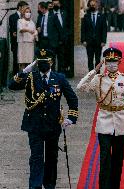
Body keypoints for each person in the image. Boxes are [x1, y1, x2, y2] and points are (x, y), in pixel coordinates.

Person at [8, 49, 79, 189]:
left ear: (51, 62)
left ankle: (50, 185)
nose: (42, 65)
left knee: (52, 157)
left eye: (45, 62)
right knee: (36, 157)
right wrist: (25, 70)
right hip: (34, 124)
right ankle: (35, 186)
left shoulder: (59, 78)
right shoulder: (30, 77)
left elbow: (72, 99)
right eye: (39, 62)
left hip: (53, 124)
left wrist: (71, 118)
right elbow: (12, 85)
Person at [77, 47, 124, 189]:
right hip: (104, 121)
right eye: (108, 61)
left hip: (121, 122)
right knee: (104, 158)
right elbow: (80, 87)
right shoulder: (99, 79)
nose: (111, 64)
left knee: (118, 158)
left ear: (119, 62)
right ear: (104, 62)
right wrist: (94, 71)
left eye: (114, 61)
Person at [81, 0, 107, 72]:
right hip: (89, 42)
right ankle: (91, 72)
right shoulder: (86, 17)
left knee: (98, 59)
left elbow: (104, 30)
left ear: (97, 6)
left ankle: (97, 72)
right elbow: (83, 29)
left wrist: (103, 41)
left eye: (94, 5)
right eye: (91, 5)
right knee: (90, 58)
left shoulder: (102, 16)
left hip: (98, 42)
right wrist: (83, 40)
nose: (92, 7)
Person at [36, 1, 62, 71]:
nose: (38, 10)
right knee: (43, 59)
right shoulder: (40, 17)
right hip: (42, 41)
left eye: (39, 8)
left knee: (51, 59)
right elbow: (37, 26)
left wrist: (59, 40)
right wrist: (38, 29)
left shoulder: (53, 16)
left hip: (51, 42)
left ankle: (52, 75)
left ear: (43, 8)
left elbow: (59, 28)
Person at [9, 0, 29, 74]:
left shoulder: (26, 17)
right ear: (20, 7)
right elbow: (13, 31)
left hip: (25, 44)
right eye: (25, 8)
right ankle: (16, 79)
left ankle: (24, 79)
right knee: (16, 62)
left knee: (25, 62)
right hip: (16, 43)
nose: (26, 10)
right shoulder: (12, 17)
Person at [17, 6, 38, 71]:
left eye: (29, 12)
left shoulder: (32, 22)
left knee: (29, 62)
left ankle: (29, 78)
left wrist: (36, 33)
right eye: (26, 12)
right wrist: (28, 30)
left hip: (30, 44)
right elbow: (21, 29)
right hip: (22, 43)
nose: (28, 13)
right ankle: (22, 77)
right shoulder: (20, 21)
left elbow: (35, 31)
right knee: (22, 61)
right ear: (23, 13)